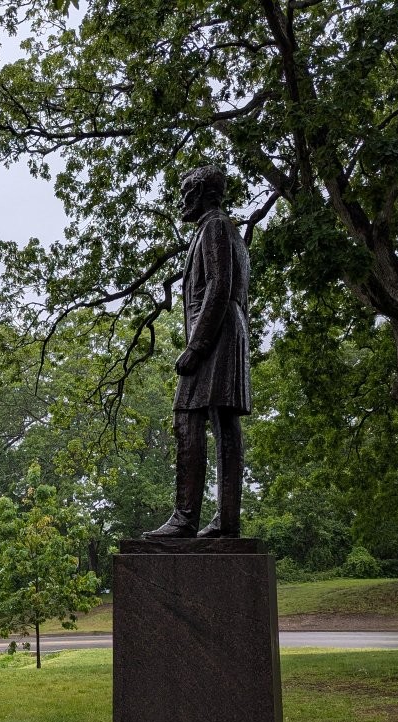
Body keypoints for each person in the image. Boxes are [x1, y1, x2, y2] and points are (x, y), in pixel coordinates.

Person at [145, 165, 250, 539]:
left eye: (187, 191)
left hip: (217, 334)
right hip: (226, 330)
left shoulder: (216, 226)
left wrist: (197, 346)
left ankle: (186, 517)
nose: (181, 200)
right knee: (223, 422)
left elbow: (219, 285)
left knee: (187, 415)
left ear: (205, 192)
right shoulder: (222, 229)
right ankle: (226, 521)